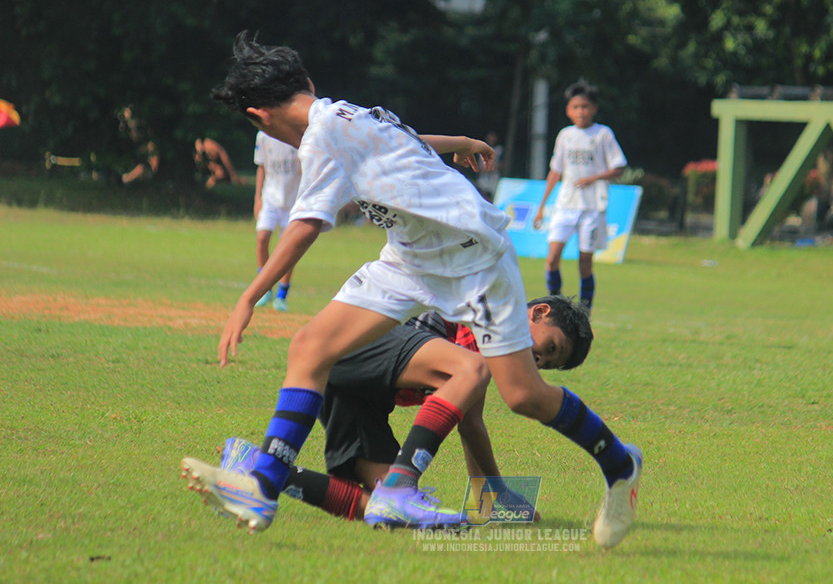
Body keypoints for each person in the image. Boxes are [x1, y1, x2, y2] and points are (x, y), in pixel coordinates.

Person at [179, 32, 641, 549]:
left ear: (259, 117)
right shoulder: (346, 113)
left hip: (473, 257)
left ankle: (621, 464)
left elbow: (306, 223)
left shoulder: (321, 135)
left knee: (523, 395)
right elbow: (411, 142)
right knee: (310, 347)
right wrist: (460, 144)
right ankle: (263, 489)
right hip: (408, 258)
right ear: (306, 85)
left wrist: (249, 297)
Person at [210, 296, 588, 524]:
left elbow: (471, 422)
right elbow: (471, 423)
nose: (539, 361)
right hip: (355, 345)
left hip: (354, 389)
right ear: (537, 312)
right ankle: (402, 483)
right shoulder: (492, 315)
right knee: (471, 371)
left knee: (381, 510)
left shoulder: (488, 358)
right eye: (550, 348)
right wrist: (497, 495)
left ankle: (255, 466)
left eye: (548, 365)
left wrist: (488, 499)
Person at [532, 80, 627, 313]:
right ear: (568, 111)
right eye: (576, 107)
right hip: (565, 205)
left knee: (585, 263)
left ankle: (585, 313)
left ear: (593, 108)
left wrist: (594, 178)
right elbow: (556, 170)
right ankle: (553, 308)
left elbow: (619, 167)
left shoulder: (603, 134)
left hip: (593, 208)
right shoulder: (565, 136)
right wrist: (542, 205)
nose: (580, 111)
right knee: (552, 258)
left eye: (585, 106)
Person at [253, 131, 301, 312]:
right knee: (262, 238)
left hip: (292, 201)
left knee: (288, 247)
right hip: (270, 199)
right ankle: (264, 288)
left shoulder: (296, 135)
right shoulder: (263, 135)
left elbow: (305, 169)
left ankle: (282, 294)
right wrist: (258, 197)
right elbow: (261, 167)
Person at [118, 106, 160, 184]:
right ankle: (127, 179)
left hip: (147, 168)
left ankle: (127, 179)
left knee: (141, 167)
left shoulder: (149, 145)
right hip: (141, 164)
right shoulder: (132, 144)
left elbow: (153, 164)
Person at [474, 131, 504, 202]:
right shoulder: (480, 148)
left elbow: (503, 163)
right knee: (481, 194)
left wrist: (492, 168)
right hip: (483, 177)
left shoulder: (499, 150)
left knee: (494, 196)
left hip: (494, 177)